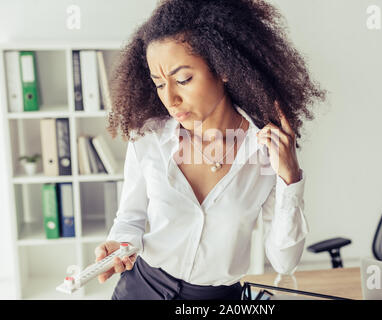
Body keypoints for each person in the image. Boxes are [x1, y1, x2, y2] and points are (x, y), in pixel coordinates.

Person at [95, 0, 326, 300]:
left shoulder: (265, 151)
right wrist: (119, 245)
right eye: (159, 84)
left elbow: (284, 261)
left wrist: (290, 180)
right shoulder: (149, 137)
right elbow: (130, 218)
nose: (171, 99)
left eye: (183, 79)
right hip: (140, 288)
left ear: (223, 69)